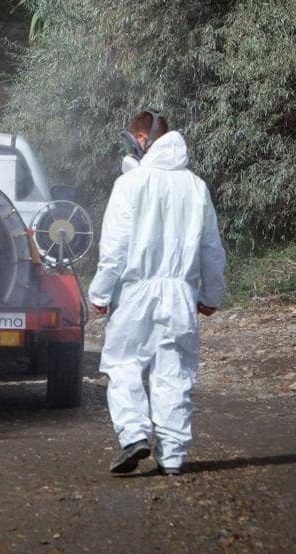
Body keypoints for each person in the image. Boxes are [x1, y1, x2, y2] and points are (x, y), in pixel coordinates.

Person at [89, 111, 226, 476]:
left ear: (144, 141)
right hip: (181, 293)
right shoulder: (196, 186)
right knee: (174, 373)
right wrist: (211, 296)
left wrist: (100, 293)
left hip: (134, 292)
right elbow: (212, 249)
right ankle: (173, 457)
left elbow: (115, 249)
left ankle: (134, 434)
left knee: (124, 364)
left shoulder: (130, 185)